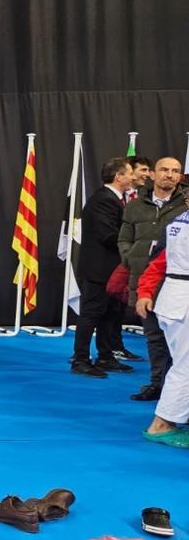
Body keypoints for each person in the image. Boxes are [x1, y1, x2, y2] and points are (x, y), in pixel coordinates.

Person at [119, 156, 187, 400]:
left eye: (175, 171)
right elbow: (124, 237)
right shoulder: (135, 206)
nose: (169, 174)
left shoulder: (186, 206)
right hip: (143, 278)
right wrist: (131, 257)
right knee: (154, 337)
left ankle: (177, 392)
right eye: (164, 170)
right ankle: (158, 384)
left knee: (180, 344)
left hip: (176, 283)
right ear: (154, 174)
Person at [71, 158, 135, 378]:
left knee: (109, 313)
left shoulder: (112, 199)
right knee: (91, 314)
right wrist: (139, 240)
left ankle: (106, 357)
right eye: (129, 173)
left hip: (110, 269)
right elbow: (107, 235)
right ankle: (80, 360)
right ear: (118, 177)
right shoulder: (104, 200)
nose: (133, 177)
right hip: (99, 269)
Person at [135, 215, 189, 449]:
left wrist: (145, 291)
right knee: (186, 367)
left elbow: (159, 261)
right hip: (183, 302)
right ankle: (162, 424)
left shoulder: (178, 221)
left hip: (173, 299)